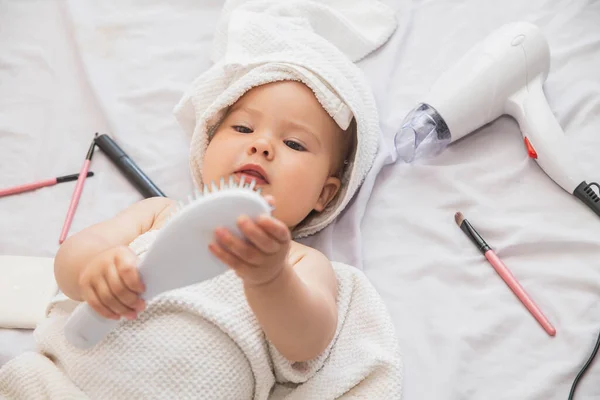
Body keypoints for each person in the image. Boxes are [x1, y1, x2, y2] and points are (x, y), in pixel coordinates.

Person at [54, 80, 356, 363]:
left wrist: (271, 279)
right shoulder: (159, 213)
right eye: (242, 127)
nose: (262, 145)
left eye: (294, 143)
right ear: (205, 146)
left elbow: (306, 345)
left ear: (324, 194)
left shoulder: (301, 261)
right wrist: (93, 270)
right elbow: (68, 262)